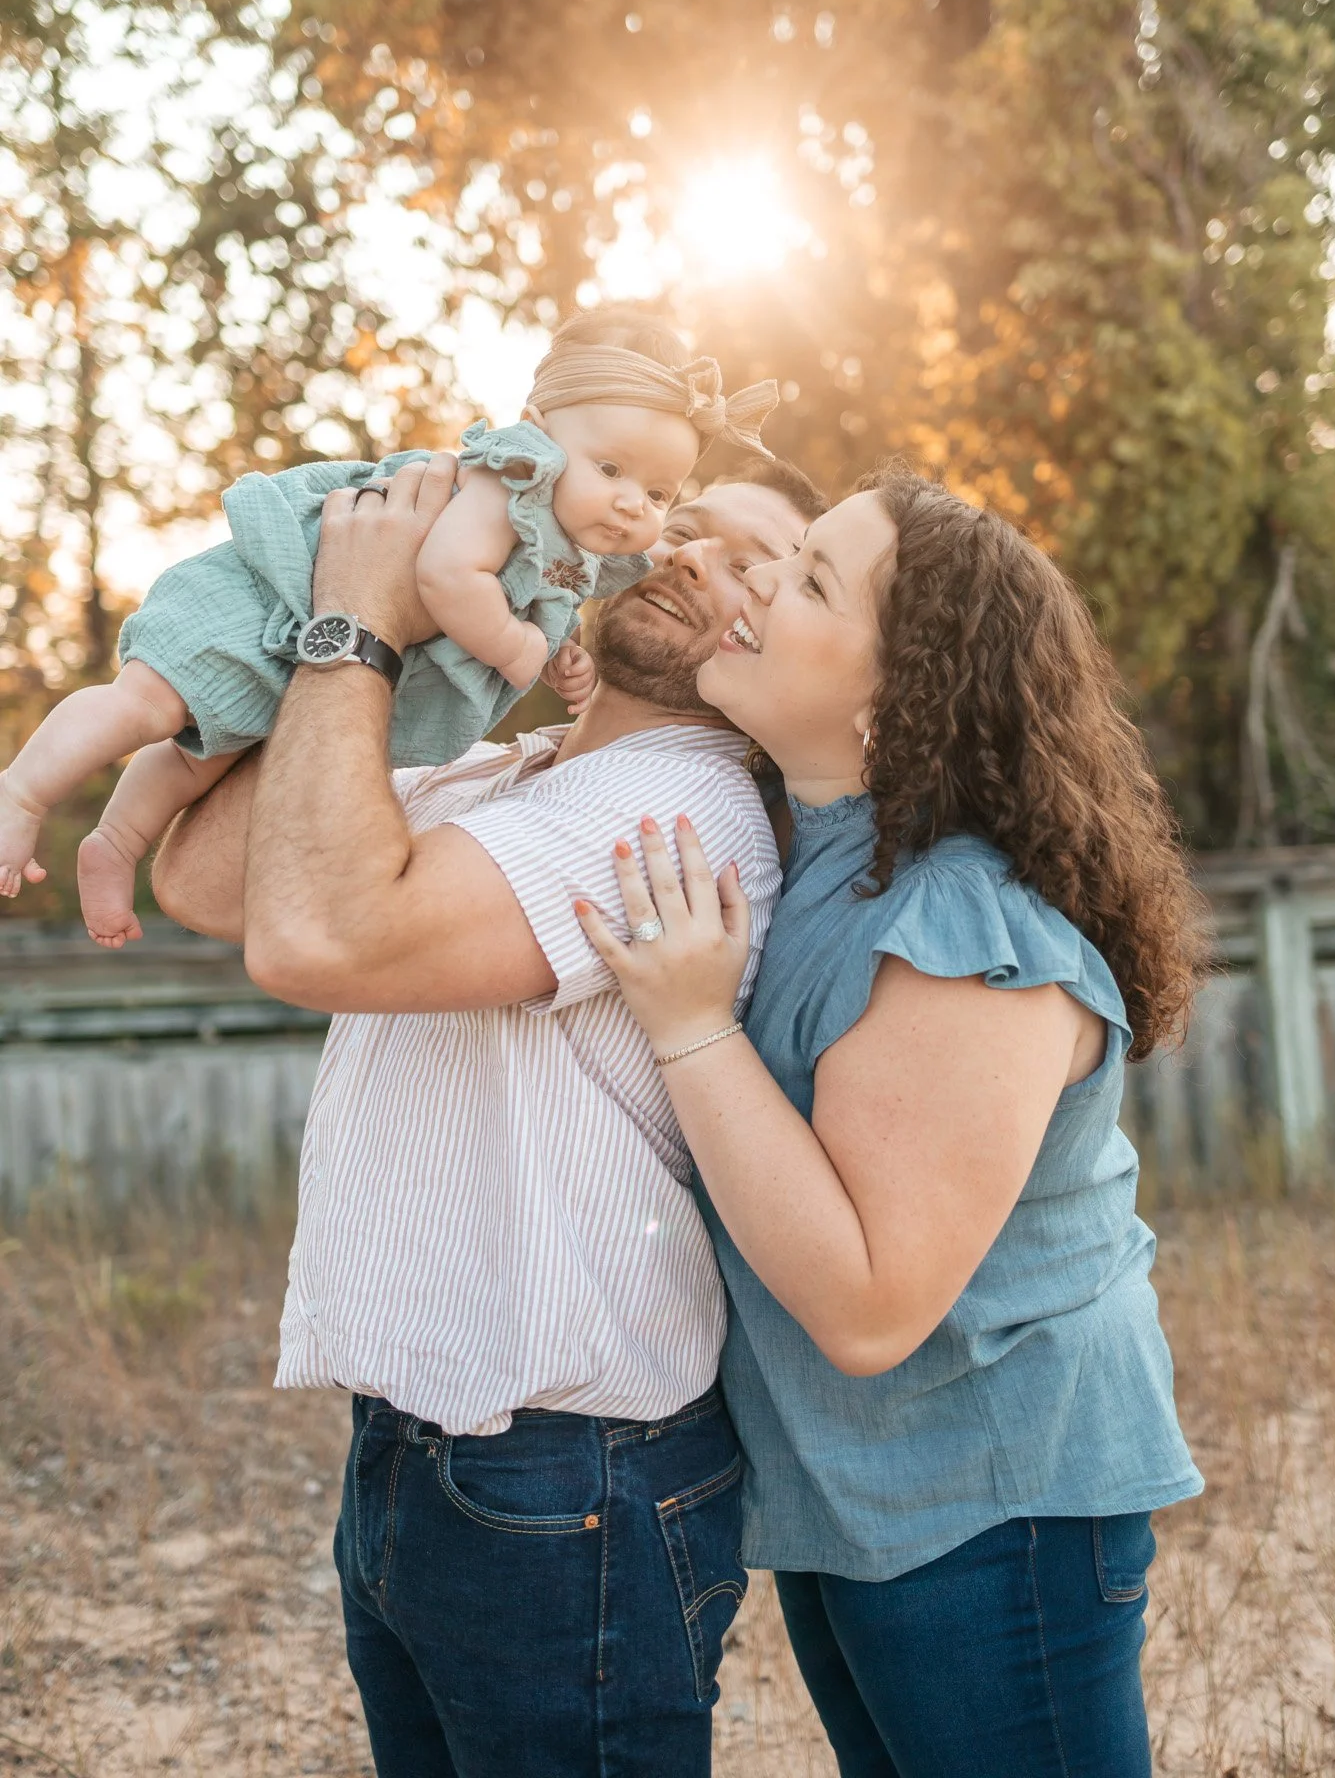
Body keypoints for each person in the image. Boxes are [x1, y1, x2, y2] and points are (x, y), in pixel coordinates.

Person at [151, 408, 828, 1778]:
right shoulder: (513, 768)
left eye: (755, 565)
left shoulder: (678, 814)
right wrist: (404, 626)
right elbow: (206, 877)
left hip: (567, 1478)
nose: (689, 553)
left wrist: (354, 622)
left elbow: (318, 938)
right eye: (684, 521)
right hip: (421, 1449)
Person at [576, 463, 1208, 1778]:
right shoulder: (810, 844)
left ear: (893, 690)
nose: (748, 587)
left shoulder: (962, 927)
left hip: (996, 1505)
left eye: (806, 580)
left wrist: (691, 1024)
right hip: (859, 1500)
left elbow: (871, 1307)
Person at [0, 309, 778, 950]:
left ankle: (119, 841)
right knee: (146, 707)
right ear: (538, 435)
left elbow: (531, 608)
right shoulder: (504, 480)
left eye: (656, 491)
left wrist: (559, 659)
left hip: (318, 628)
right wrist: (515, 649)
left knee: (202, 751)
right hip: (272, 593)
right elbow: (447, 577)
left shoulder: (566, 551)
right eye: (610, 470)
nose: (631, 505)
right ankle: (24, 793)